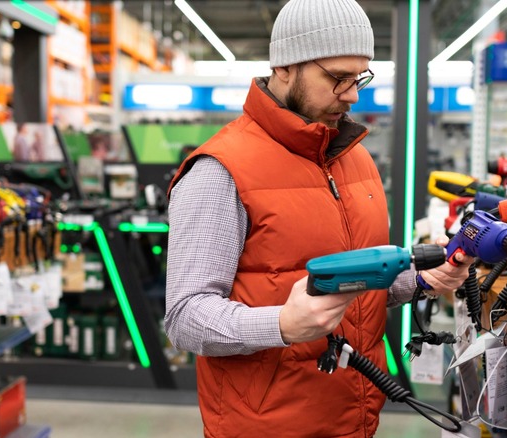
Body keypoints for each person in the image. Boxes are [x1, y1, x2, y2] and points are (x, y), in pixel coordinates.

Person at [164, 0, 474, 436]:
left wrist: (423, 280)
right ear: (285, 66)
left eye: (359, 77)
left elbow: (351, 286)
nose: (352, 94)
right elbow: (184, 317)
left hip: (356, 416)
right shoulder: (220, 170)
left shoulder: (357, 160)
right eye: (337, 78)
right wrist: (281, 325)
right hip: (268, 425)